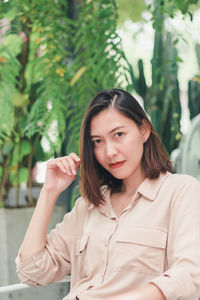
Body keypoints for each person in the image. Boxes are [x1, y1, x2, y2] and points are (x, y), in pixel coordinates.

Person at [16, 88, 200, 300]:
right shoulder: (89, 205)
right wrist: (50, 191)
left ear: (144, 130)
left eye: (118, 135)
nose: (110, 151)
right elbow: (31, 271)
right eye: (98, 141)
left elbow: (190, 275)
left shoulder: (180, 191)